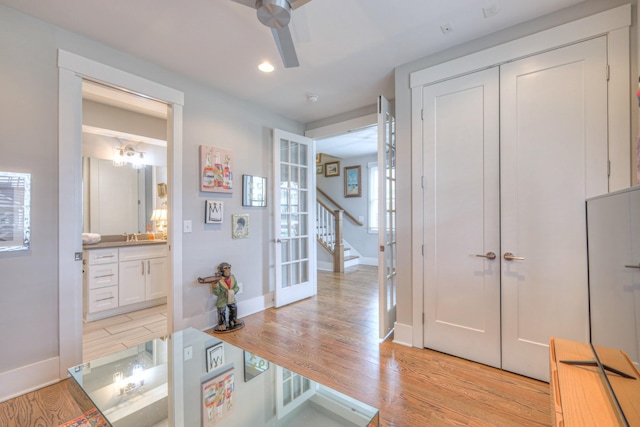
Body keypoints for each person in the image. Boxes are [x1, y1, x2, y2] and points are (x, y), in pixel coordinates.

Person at [198, 262, 243, 332]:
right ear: (221, 270)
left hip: (231, 298)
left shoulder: (233, 277)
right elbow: (217, 293)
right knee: (221, 312)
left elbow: (236, 287)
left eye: (229, 268)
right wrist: (215, 284)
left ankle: (233, 320)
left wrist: (232, 291)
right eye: (225, 268)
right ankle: (222, 324)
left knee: (234, 308)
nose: (228, 270)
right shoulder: (218, 279)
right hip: (222, 299)